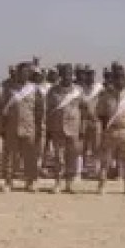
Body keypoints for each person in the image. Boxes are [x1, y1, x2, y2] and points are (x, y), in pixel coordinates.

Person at [0, 61, 43, 192]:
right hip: (12, 127)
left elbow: (39, 110)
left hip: (29, 127)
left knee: (30, 156)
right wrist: (2, 127)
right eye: (21, 72)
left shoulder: (35, 89)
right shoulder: (8, 89)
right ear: (17, 73)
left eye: (26, 72)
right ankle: (8, 181)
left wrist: (39, 128)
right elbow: (3, 109)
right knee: (10, 156)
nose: (24, 74)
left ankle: (31, 182)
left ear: (29, 74)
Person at [45, 63, 86, 193]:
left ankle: (70, 183)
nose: (67, 76)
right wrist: (49, 128)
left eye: (69, 73)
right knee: (58, 157)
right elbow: (49, 110)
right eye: (64, 73)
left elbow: (84, 109)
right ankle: (57, 182)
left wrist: (83, 127)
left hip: (74, 128)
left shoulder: (78, 90)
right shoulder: (53, 91)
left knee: (72, 157)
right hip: (57, 128)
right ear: (60, 75)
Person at [96, 64, 125, 195]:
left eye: (122, 78)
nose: (119, 80)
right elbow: (100, 113)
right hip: (110, 131)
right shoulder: (105, 95)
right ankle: (102, 185)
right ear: (113, 79)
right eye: (117, 77)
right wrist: (105, 128)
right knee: (105, 160)